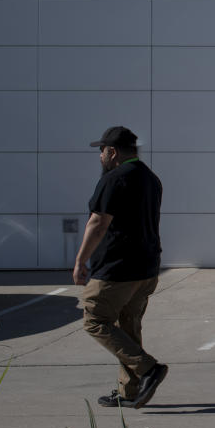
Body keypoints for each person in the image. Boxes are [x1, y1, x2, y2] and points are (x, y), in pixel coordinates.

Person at [74, 126, 168, 410]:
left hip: (117, 269)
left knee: (94, 319)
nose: (100, 156)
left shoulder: (114, 179)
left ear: (112, 152)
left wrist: (80, 261)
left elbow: (98, 222)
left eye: (101, 150)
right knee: (128, 326)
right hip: (147, 269)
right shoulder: (151, 179)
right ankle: (130, 391)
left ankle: (148, 368)